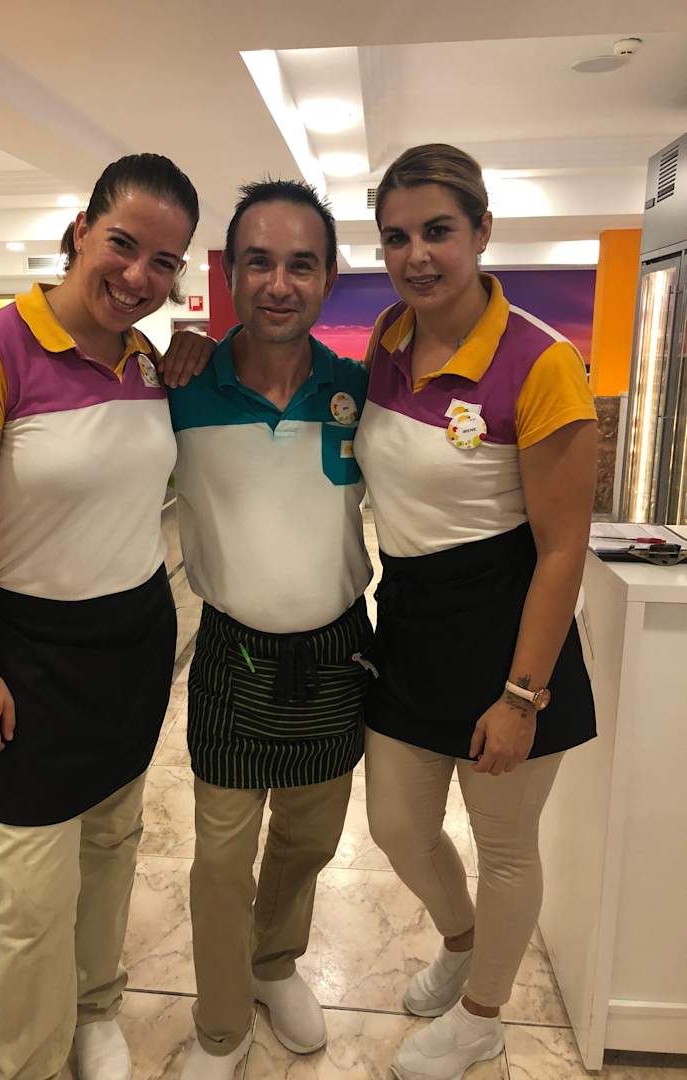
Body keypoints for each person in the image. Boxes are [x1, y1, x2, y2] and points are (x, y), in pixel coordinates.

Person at [0, 152, 201, 1080]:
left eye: (165, 262)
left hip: (134, 639)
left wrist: (195, 352)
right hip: (29, 655)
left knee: (114, 843)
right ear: (79, 232)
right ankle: (27, 1063)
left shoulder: (147, 361)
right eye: (123, 244)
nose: (138, 275)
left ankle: (95, 1008)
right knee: (32, 893)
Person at [354, 144, 598, 1080]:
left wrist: (522, 696)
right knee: (396, 825)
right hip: (411, 624)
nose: (416, 255)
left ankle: (484, 1017)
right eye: (396, 237)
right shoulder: (386, 342)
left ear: (482, 230)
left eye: (438, 231)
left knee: (504, 846)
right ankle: (461, 943)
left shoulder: (542, 362)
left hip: (510, 633)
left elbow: (563, 548)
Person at [169, 180, 374, 1079]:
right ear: (230, 274)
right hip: (233, 654)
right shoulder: (180, 388)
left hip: (336, 651)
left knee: (309, 839)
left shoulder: (358, 391)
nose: (279, 284)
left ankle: (274, 963)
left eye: (301, 264)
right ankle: (220, 1021)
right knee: (220, 858)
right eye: (259, 262)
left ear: (327, 278)